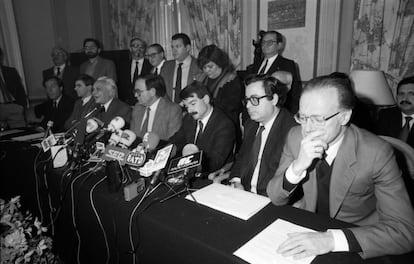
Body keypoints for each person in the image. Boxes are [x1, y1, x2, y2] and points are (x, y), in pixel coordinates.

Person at [266, 75, 414, 259]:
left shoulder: (376, 153)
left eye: (318, 119)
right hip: (308, 228)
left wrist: (330, 240)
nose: (307, 129)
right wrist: (297, 168)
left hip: (355, 238)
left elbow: (405, 231)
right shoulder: (296, 137)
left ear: (344, 116)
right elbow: (275, 197)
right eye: (303, 117)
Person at [212, 75, 295, 196]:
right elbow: (241, 158)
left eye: (254, 99)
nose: (248, 106)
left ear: (274, 99)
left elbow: (284, 180)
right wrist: (236, 181)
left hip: (270, 198)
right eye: (247, 100)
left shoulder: (291, 130)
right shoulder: (251, 124)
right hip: (243, 193)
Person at [170, 81, 235, 173]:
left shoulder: (224, 125)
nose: (189, 110)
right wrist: (165, 153)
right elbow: (177, 140)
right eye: (186, 106)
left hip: (210, 173)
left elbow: (215, 161)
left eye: (192, 104)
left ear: (205, 100)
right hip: (188, 170)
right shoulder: (189, 119)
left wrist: (189, 166)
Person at [247, 30, 301, 113]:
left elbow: (294, 93)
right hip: (254, 110)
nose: (265, 45)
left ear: (279, 45)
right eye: (263, 42)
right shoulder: (255, 65)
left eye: (270, 42)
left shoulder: (287, 64)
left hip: (276, 112)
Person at [196, 44, 243, 129]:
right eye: (204, 67)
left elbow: (229, 108)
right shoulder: (200, 79)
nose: (207, 70)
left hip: (224, 126)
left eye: (210, 66)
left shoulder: (231, 80)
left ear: (219, 63)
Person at [130, 74, 182, 140]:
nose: (135, 95)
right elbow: (131, 137)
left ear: (152, 92)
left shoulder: (172, 110)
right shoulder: (137, 108)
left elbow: (171, 143)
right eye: (135, 91)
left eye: (138, 92)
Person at [160, 33, 202, 103]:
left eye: (178, 46)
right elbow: (161, 90)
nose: (174, 50)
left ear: (187, 48)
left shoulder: (198, 66)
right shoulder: (166, 66)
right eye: (172, 47)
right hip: (171, 109)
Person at [377, 76, 414, 147]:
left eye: (411, 94)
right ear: (396, 97)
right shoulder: (386, 115)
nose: (404, 98)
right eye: (401, 94)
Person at [118, 37, 152, 105]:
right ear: (130, 48)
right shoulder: (122, 66)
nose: (138, 49)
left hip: (145, 103)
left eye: (141, 47)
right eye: (135, 46)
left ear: (144, 49)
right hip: (126, 104)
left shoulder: (150, 65)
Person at [0, 47, 27, 128]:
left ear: (1, 57)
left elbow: (20, 91)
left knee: (20, 133)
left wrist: (22, 106)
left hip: (14, 106)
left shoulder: (11, 71)